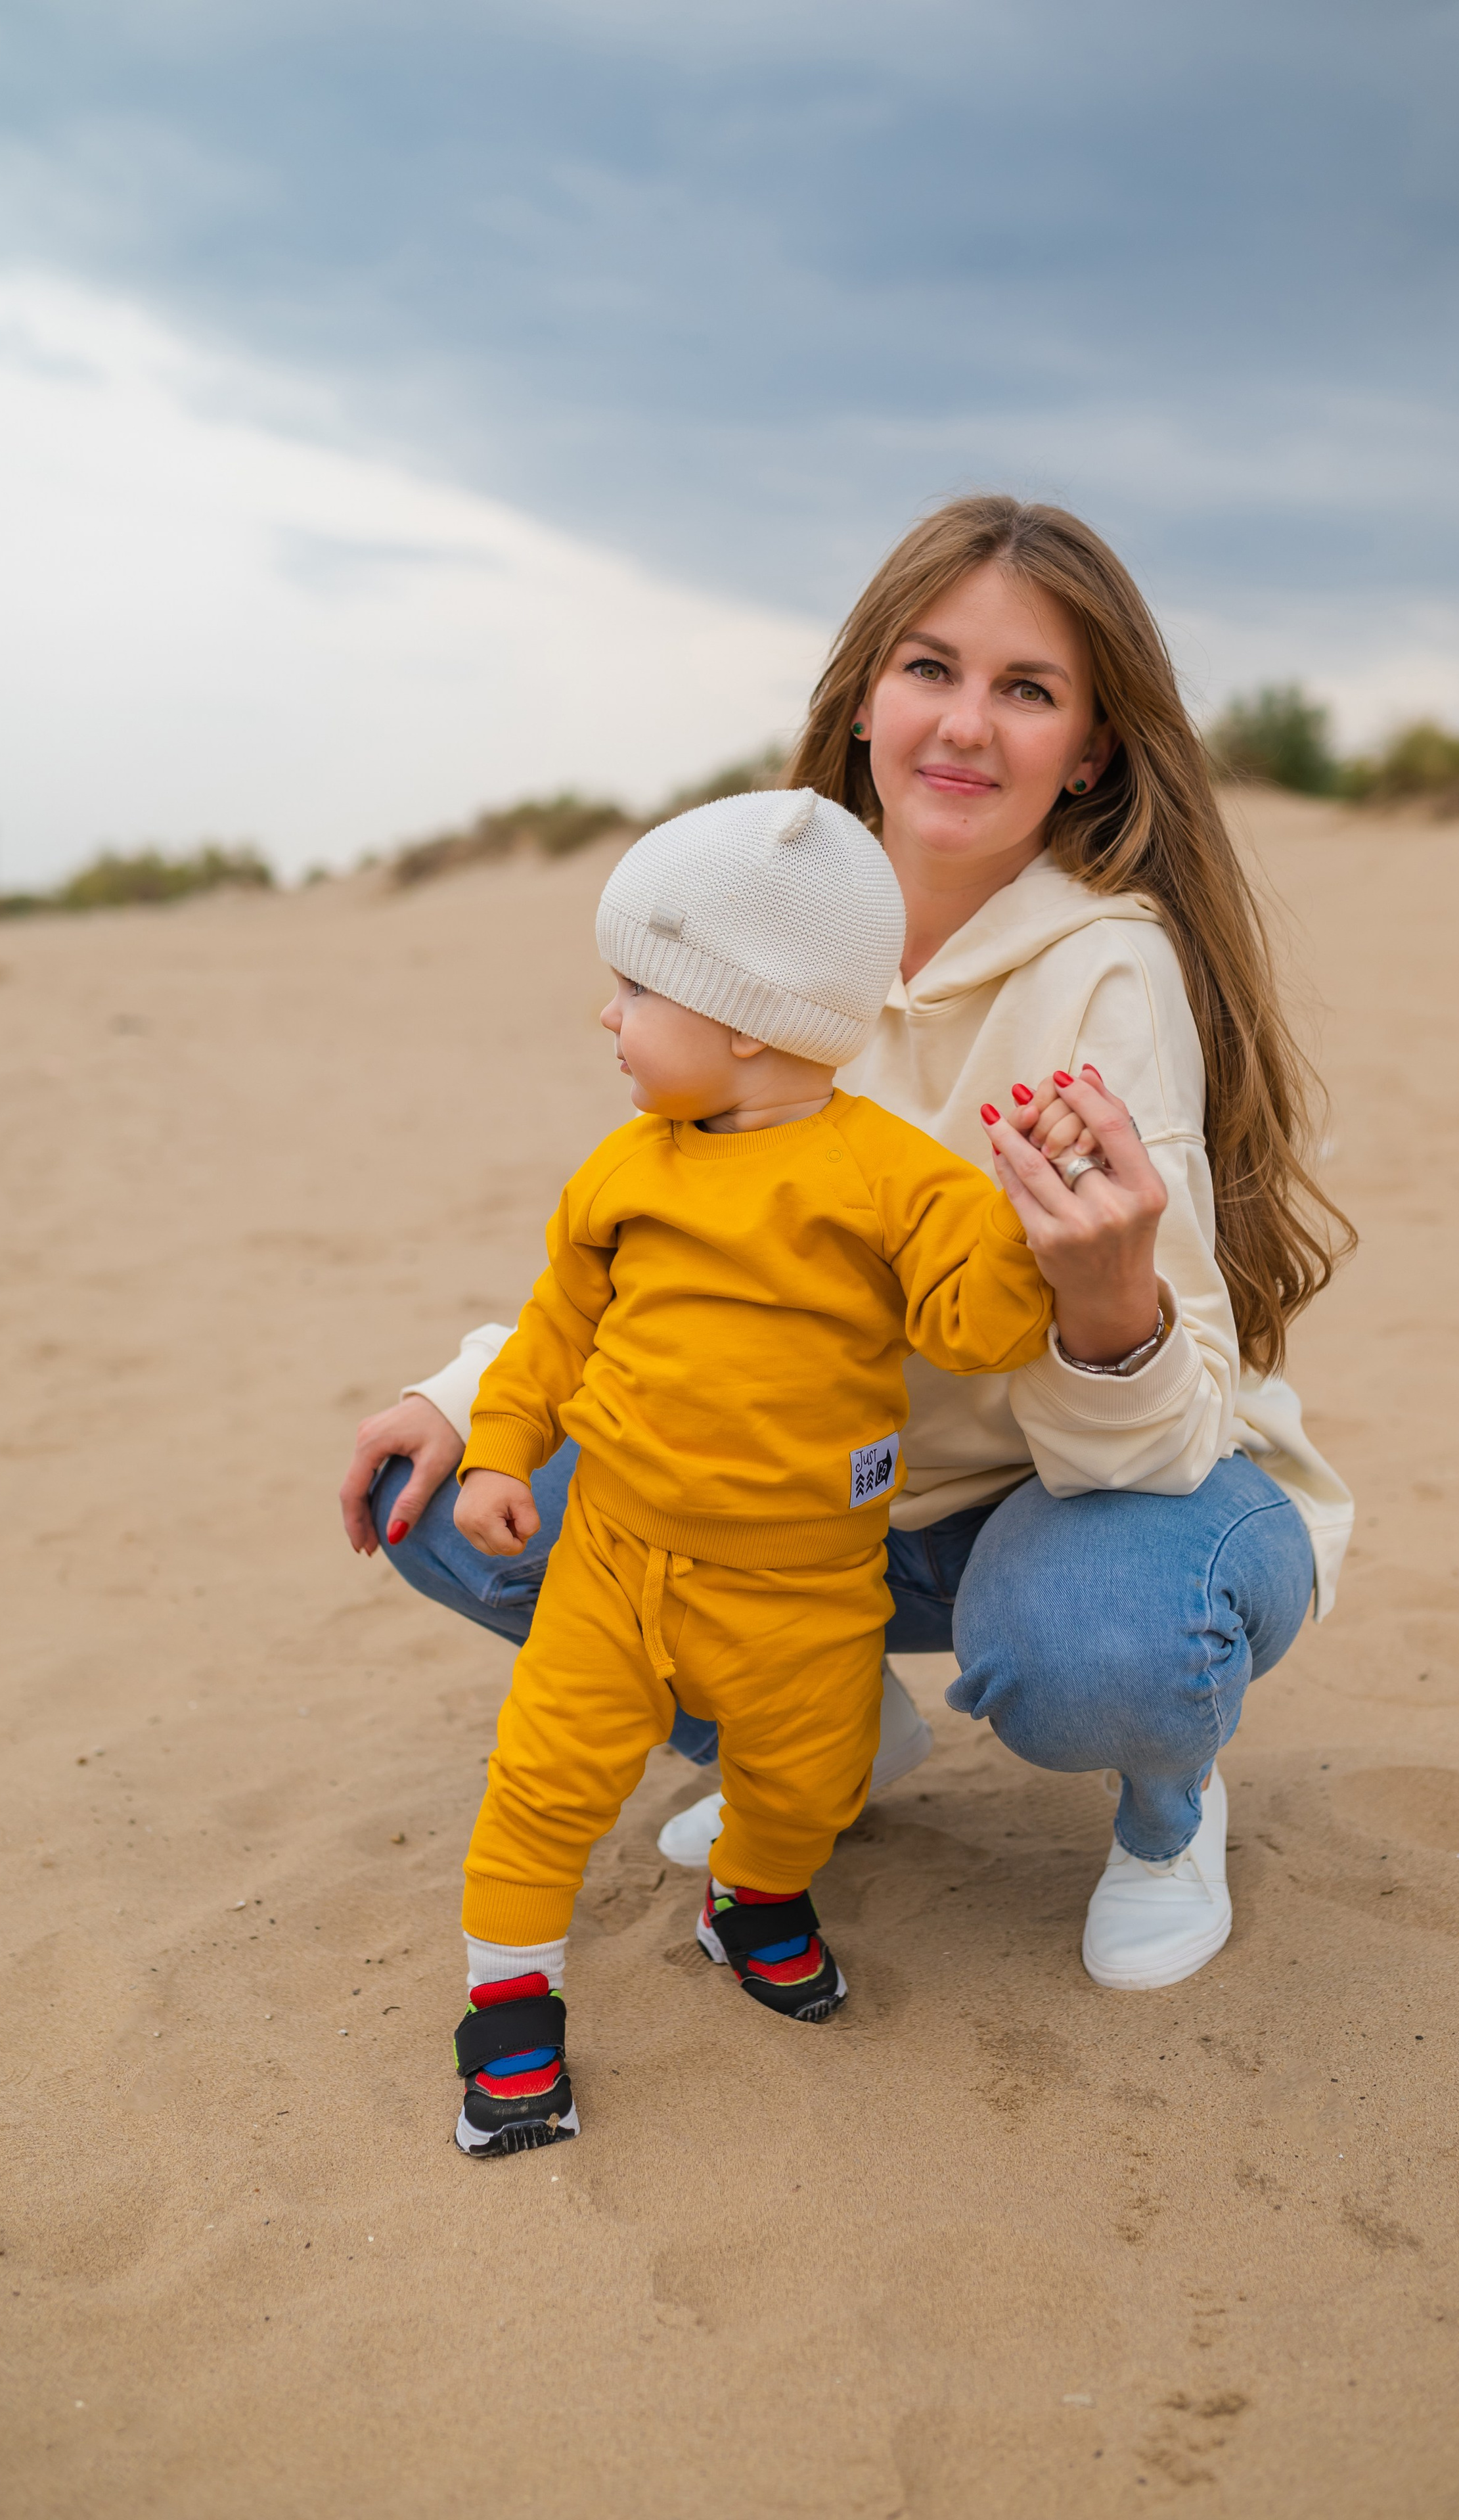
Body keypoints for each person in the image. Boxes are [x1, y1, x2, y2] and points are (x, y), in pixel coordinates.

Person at [340, 493, 1355, 2017]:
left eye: (1026, 689)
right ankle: (809, 1738)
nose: (963, 725)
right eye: (928, 668)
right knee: (440, 1493)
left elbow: (1176, 1421)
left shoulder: (1106, 969)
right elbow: (668, 1247)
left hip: (1070, 1503)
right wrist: (464, 1387)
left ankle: (1165, 1819)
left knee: (1097, 1641)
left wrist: (1099, 1308)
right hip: (814, 1514)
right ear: (864, 693)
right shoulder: (763, 921)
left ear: (1087, 745)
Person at [441, 786, 1096, 2157]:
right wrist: (500, 1448)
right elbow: (555, 1329)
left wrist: (1032, 1222)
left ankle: (751, 1898)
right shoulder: (621, 1170)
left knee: (807, 1780)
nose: (604, 1017)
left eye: (634, 987)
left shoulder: (888, 1177)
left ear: (745, 1019)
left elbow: (976, 1327)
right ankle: (507, 2002)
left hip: (802, 1578)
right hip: (615, 1555)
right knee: (544, 1777)